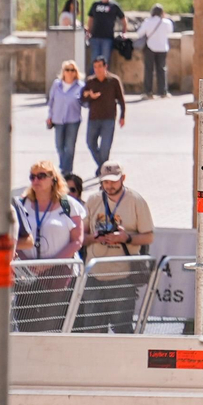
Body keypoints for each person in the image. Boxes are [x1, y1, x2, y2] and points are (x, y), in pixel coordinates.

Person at [82, 163, 154, 332]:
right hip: (94, 275)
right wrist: (95, 237)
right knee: (92, 330)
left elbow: (149, 236)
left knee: (122, 329)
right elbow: (80, 237)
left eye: (113, 181)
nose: (109, 186)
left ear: (123, 178)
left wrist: (125, 237)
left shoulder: (136, 201)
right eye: (105, 182)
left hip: (123, 277)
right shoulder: (93, 200)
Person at [15, 159, 84, 330]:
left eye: (41, 176)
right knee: (26, 324)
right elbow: (14, 239)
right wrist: (26, 263)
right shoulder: (23, 203)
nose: (36, 181)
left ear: (53, 178)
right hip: (27, 273)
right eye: (32, 177)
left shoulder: (67, 203)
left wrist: (49, 263)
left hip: (58, 273)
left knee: (51, 324)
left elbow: (77, 240)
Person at [79, 56, 126, 174]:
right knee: (90, 143)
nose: (97, 69)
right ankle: (103, 167)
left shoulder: (114, 81)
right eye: (95, 67)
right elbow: (82, 100)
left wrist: (122, 116)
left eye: (100, 66)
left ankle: (102, 170)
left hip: (108, 119)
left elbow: (121, 99)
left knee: (105, 148)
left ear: (105, 67)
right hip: (93, 118)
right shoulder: (90, 81)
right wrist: (89, 96)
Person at [47, 60, 85, 176]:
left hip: (73, 119)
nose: (69, 72)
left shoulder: (80, 86)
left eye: (72, 70)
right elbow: (51, 101)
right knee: (59, 145)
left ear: (76, 72)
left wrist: (88, 97)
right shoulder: (56, 84)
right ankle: (63, 165)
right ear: (63, 72)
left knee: (69, 146)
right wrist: (50, 116)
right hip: (58, 119)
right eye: (67, 70)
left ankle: (66, 170)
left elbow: (85, 103)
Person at [137, 3, 175, 98]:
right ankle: (163, 91)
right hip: (162, 47)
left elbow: (139, 33)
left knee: (149, 69)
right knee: (161, 70)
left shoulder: (148, 22)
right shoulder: (167, 22)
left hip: (150, 47)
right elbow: (170, 31)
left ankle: (148, 92)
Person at [87, 0, 123, 66]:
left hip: (107, 38)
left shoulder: (114, 6)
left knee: (105, 61)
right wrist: (89, 30)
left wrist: (123, 32)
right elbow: (91, 18)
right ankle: (93, 78)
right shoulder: (95, 5)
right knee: (94, 60)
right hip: (95, 37)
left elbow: (123, 18)